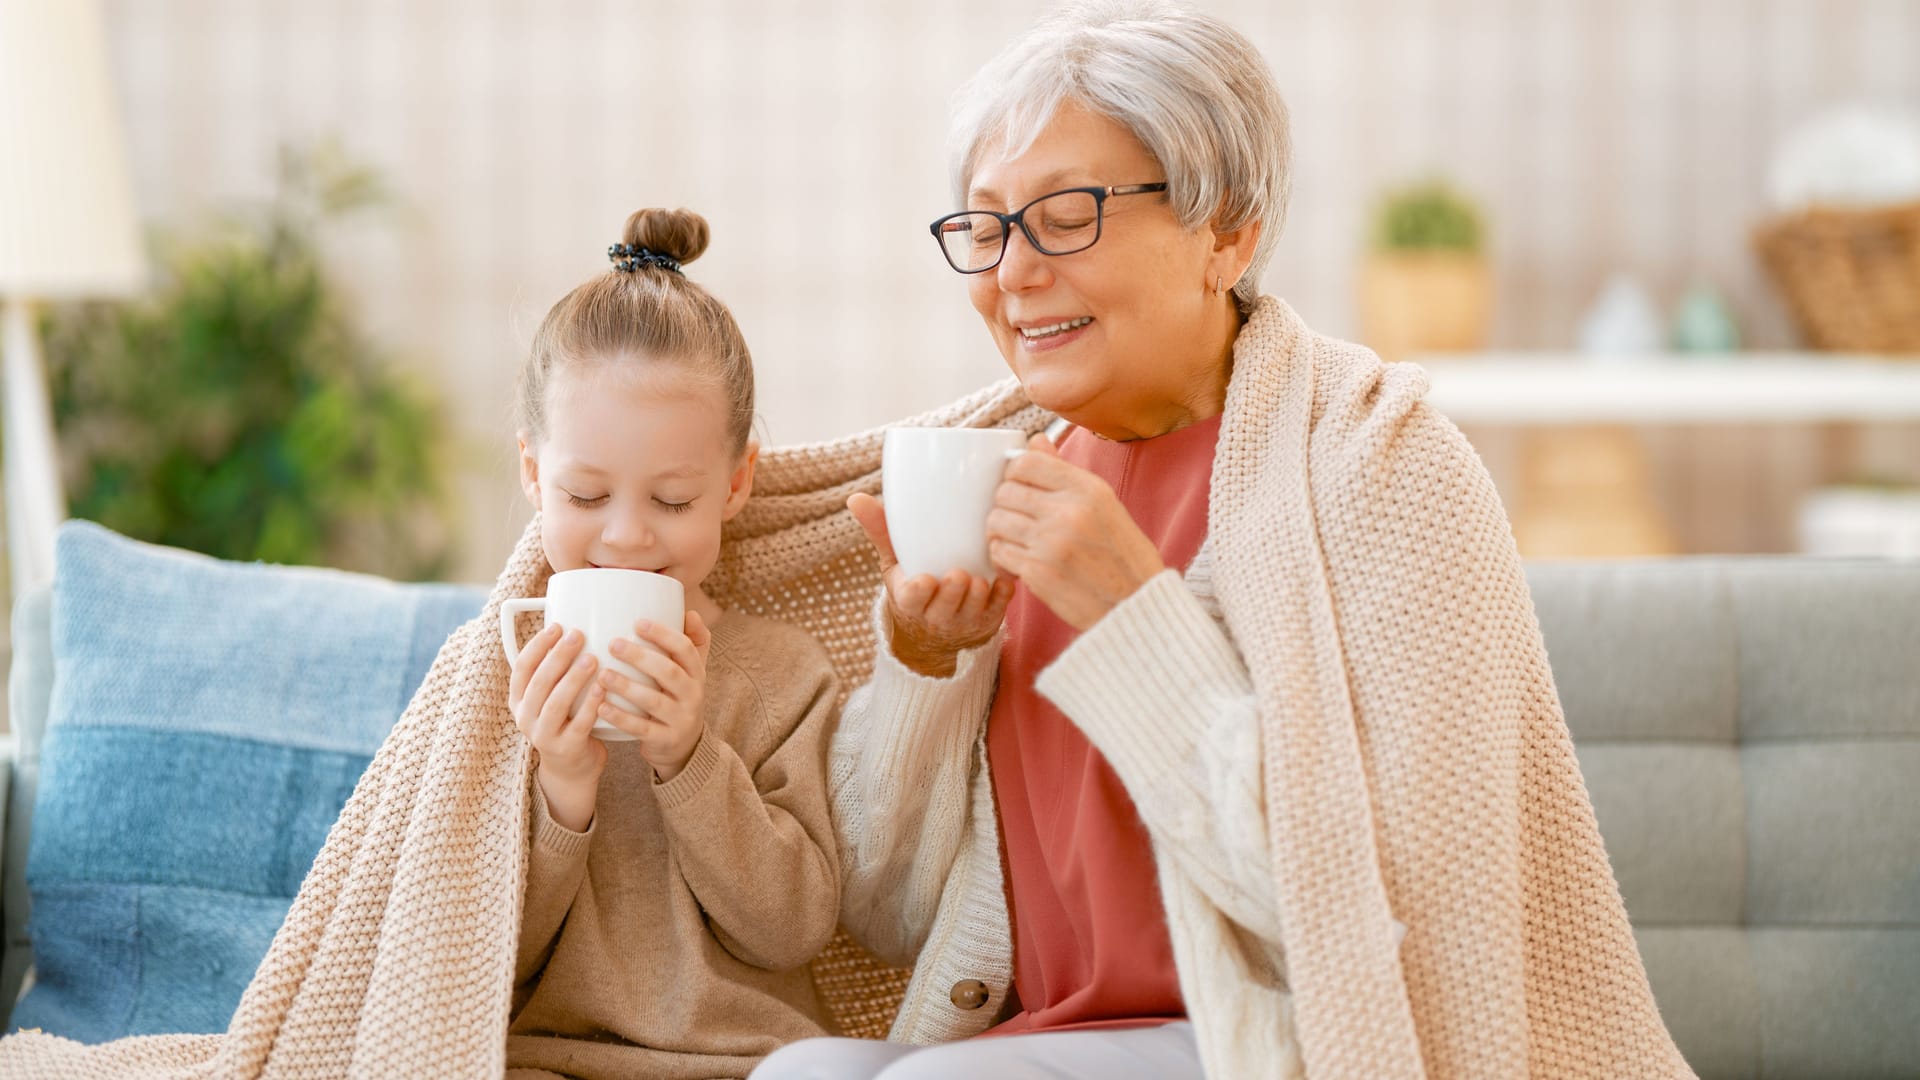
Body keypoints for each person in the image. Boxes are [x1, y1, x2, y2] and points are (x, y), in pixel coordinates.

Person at [754, 2, 1692, 1078]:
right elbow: (883, 917)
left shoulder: (1381, 466)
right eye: (986, 226)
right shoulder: (1006, 483)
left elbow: (1395, 918)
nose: (1012, 272)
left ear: (1228, 232)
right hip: (1052, 1043)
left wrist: (1134, 617)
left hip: (1300, 1039)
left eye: (1065, 214)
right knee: (799, 1073)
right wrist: (926, 666)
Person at [505, 208, 843, 1080]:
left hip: (746, 1062)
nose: (625, 538)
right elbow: (475, 961)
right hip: (545, 1061)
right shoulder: (500, 680)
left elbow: (791, 927)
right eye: (584, 496)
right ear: (534, 476)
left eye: (672, 501)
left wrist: (689, 759)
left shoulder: (783, 677)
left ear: (737, 484)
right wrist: (565, 793)